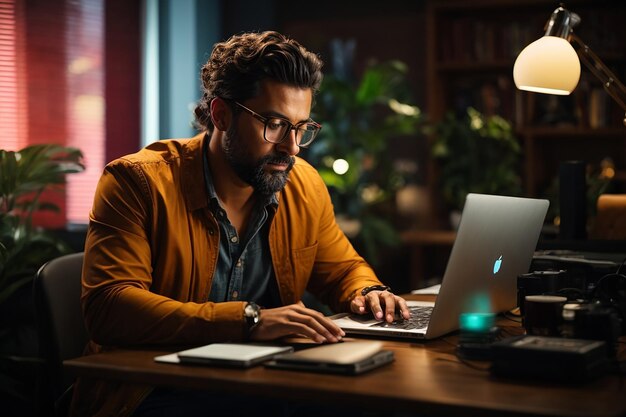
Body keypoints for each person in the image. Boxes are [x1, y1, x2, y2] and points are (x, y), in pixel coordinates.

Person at [71, 30, 410, 417]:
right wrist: (248, 321)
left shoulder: (303, 183)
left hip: (264, 381)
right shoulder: (138, 182)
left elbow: (341, 269)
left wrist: (367, 291)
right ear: (221, 114)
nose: (292, 147)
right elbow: (109, 307)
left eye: (301, 128)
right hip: (152, 389)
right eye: (275, 124)